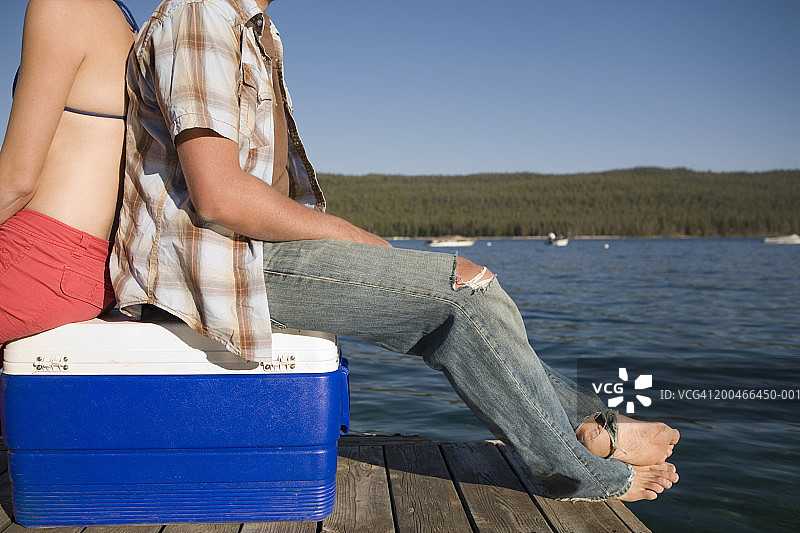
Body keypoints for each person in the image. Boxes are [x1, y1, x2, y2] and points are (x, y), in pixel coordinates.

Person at [112, 0, 680, 501]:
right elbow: (218, 195)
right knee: (462, 296)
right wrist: (367, 245)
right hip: (208, 265)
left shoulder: (254, 29)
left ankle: (592, 422)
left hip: (248, 254)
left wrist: (376, 258)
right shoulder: (200, 15)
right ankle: (579, 474)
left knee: (473, 285)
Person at [0, 0, 138, 344]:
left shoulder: (61, 6)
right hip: (97, 269)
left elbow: (15, 182)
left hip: (37, 258)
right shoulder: (129, 28)